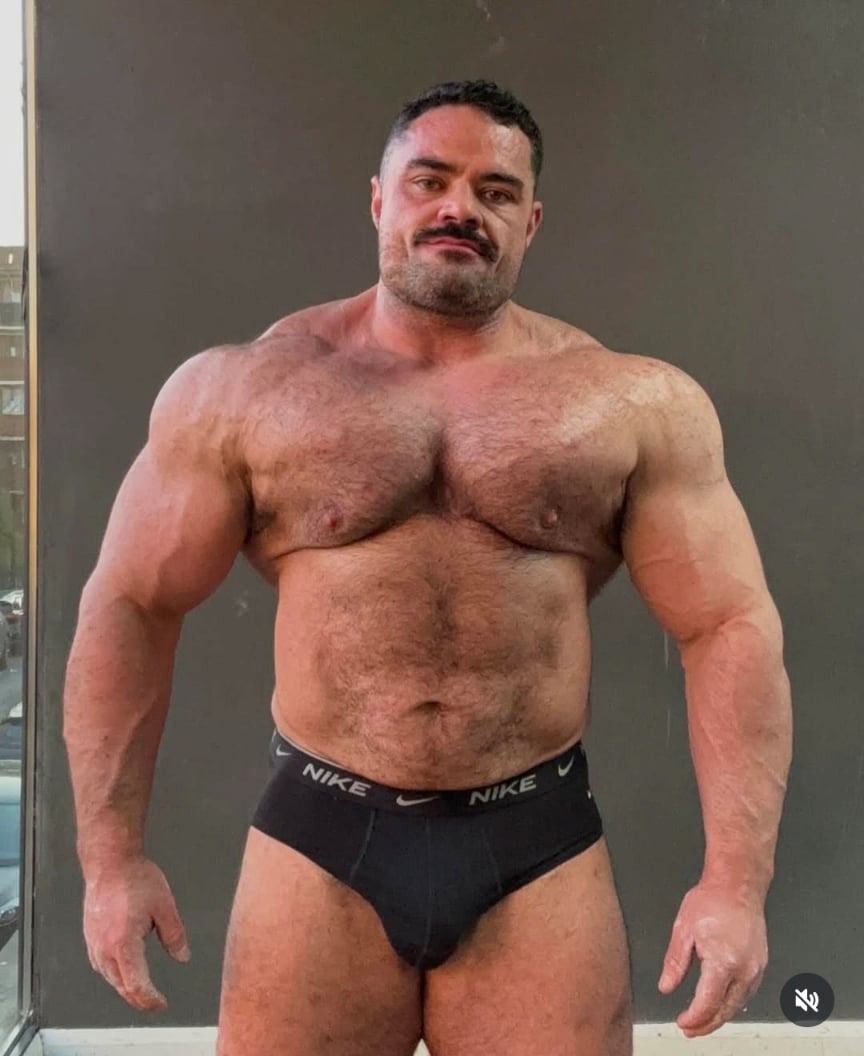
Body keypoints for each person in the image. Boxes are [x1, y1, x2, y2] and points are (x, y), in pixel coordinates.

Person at [63, 79, 793, 1056]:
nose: (461, 207)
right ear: (380, 199)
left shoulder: (629, 404)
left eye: (496, 191)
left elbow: (729, 624)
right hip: (321, 837)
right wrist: (111, 863)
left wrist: (735, 884)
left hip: (533, 840)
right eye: (430, 180)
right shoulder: (246, 391)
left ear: (531, 221)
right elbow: (130, 604)